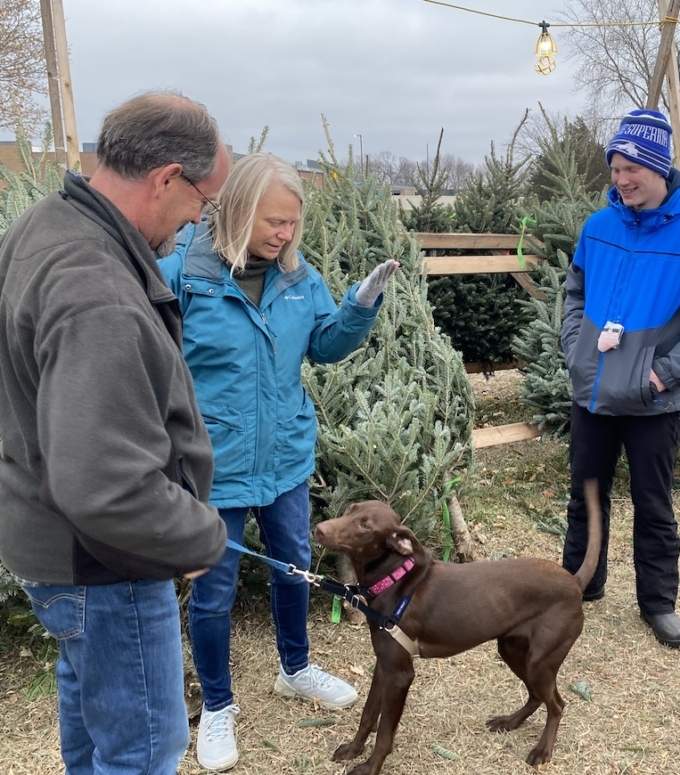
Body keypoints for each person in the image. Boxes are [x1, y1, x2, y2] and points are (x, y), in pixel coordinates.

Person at [0, 92, 230, 774]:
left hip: (54, 549)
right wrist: (200, 536)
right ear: (166, 177)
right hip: (106, 564)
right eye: (201, 202)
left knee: (95, 719)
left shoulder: (46, 224)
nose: (197, 221)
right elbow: (104, 482)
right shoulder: (98, 289)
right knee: (145, 746)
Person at [159, 152, 399, 772]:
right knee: (212, 593)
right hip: (215, 465)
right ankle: (216, 706)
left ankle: (295, 668)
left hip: (285, 458)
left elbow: (323, 347)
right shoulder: (184, 274)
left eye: (292, 223)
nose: (285, 235)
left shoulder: (299, 277)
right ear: (237, 210)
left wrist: (358, 308)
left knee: (294, 567)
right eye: (273, 222)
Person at [560, 109, 680, 649]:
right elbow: (574, 295)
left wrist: (662, 375)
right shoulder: (598, 227)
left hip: (653, 404)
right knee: (585, 494)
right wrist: (575, 349)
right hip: (591, 393)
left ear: (659, 168)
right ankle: (581, 583)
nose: (620, 180)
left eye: (630, 169)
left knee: (653, 502)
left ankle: (658, 602)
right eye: (614, 169)